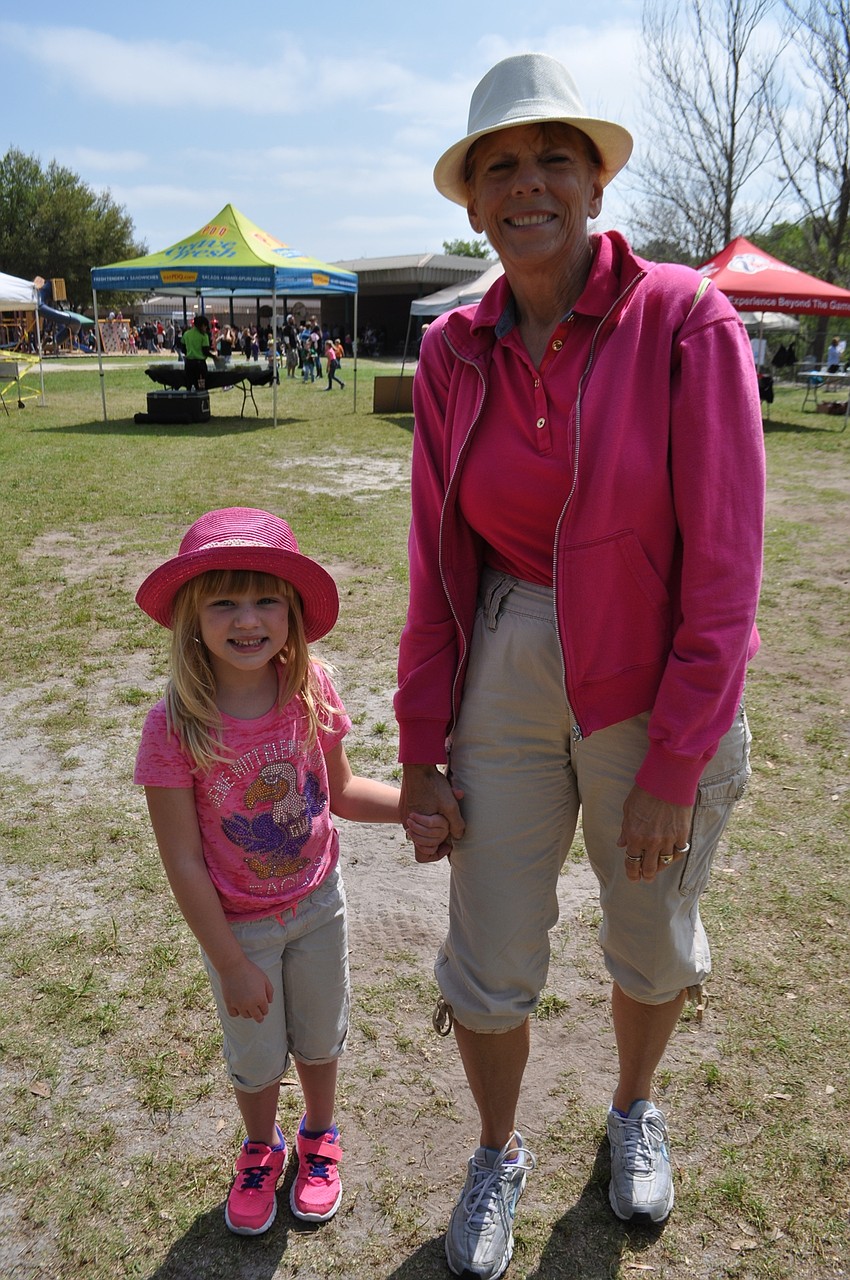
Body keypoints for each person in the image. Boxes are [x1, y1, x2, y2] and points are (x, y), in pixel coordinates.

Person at [395, 53, 765, 1280]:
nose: (527, 182)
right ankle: (497, 1148)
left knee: (651, 929)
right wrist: (417, 749)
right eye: (499, 164)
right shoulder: (452, 352)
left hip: (652, 674)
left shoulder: (683, 319)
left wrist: (676, 755)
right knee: (489, 943)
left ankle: (629, 1104)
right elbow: (434, 564)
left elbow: (724, 567)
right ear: (472, 202)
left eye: (554, 155)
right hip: (505, 647)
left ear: (596, 179)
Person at [134, 507, 446, 1238]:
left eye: (266, 599)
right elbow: (181, 858)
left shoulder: (313, 687)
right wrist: (229, 961)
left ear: (293, 610)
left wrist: (414, 809)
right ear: (191, 616)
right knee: (254, 1053)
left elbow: (340, 792)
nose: (248, 620)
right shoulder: (175, 723)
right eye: (224, 602)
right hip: (237, 928)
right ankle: (259, 1148)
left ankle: (320, 1136)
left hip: (318, 906)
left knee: (319, 1036)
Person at [182, 315, 214, 389]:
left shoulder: (186, 334)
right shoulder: (204, 336)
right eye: (206, 326)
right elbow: (205, 351)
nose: (206, 329)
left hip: (189, 364)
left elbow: (183, 348)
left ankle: (189, 399)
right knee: (201, 386)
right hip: (200, 365)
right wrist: (214, 357)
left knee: (189, 385)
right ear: (202, 325)